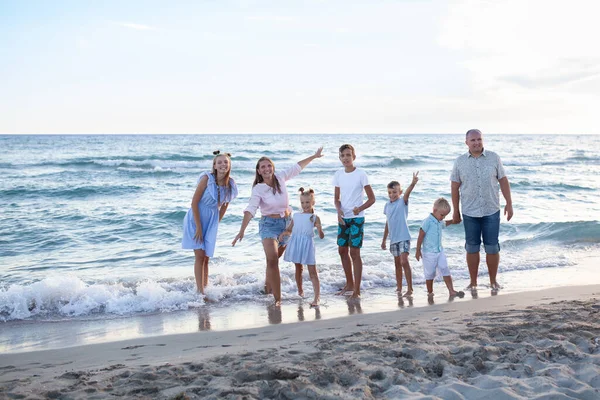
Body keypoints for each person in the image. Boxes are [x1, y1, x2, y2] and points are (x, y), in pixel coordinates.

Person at [232, 148, 323, 306]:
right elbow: (251, 209)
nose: (266, 169)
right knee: (273, 259)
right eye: (263, 167)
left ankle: (267, 288)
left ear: (272, 168)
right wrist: (242, 230)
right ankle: (277, 299)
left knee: (273, 260)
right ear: (259, 171)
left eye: (269, 166)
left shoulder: (280, 177)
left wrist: (314, 157)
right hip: (268, 225)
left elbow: (297, 167)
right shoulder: (258, 189)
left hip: (287, 224)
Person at [450, 129, 513, 291]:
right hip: (470, 211)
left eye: (479, 139)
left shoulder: (494, 158)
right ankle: (473, 282)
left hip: (491, 209)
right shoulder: (459, 162)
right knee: (472, 247)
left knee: (492, 247)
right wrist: (455, 211)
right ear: (466, 143)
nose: (476, 142)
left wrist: (509, 203)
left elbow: (503, 181)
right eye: (473, 140)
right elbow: (455, 187)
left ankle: (493, 281)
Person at [182, 151, 238, 294]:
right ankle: (200, 293)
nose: (223, 164)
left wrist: (216, 223)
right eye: (219, 162)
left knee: (206, 257)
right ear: (214, 165)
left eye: (225, 162)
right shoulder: (207, 179)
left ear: (229, 165)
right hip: (196, 217)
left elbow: (225, 206)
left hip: (211, 220)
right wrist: (199, 227)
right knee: (200, 256)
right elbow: (194, 202)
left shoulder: (230, 184)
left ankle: (205, 289)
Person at [333, 144, 376, 299]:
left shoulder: (361, 174)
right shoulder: (338, 174)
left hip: (357, 218)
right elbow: (336, 199)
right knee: (342, 251)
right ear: (339, 158)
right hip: (343, 219)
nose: (345, 158)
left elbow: (372, 199)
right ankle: (349, 284)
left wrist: (360, 208)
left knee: (354, 253)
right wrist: (338, 211)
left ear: (354, 157)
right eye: (343, 155)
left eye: (348, 155)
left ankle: (357, 290)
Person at [279, 188, 325, 307]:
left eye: (307, 202)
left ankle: (317, 298)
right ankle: (300, 292)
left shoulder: (314, 217)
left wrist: (320, 229)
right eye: (303, 203)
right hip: (296, 243)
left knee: (312, 272)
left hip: (307, 245)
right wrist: (283, 234)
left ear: (313, 203)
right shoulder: (296, 216)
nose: (305, 205)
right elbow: (290, 229)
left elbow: (321, 235)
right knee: (298, 268)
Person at [415, 198, 464, 298]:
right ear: (434, 210)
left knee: (445, 268)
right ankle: (430, 292)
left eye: (445, 215)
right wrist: (417, 250)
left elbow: (445, 223)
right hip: (429, 253)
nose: (443, 217)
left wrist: (454, 221)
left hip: (439, 250)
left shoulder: (439, 221)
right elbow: (421, 235)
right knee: (430, 274)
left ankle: (451, 291)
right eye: (442, 215)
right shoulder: (427, 221)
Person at [381, 172, 419, 297]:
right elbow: (388, 223)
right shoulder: (387, 205)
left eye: (395, 192)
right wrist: (384, 240)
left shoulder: (403, 202)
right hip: (393, 239)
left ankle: (410, 289)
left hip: (404, 237)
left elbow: (408, 193)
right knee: (397, 264)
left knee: (404, 261)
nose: (392, 195)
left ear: (400, 192)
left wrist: (413, 183)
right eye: (390, 193)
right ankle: (399, 288)